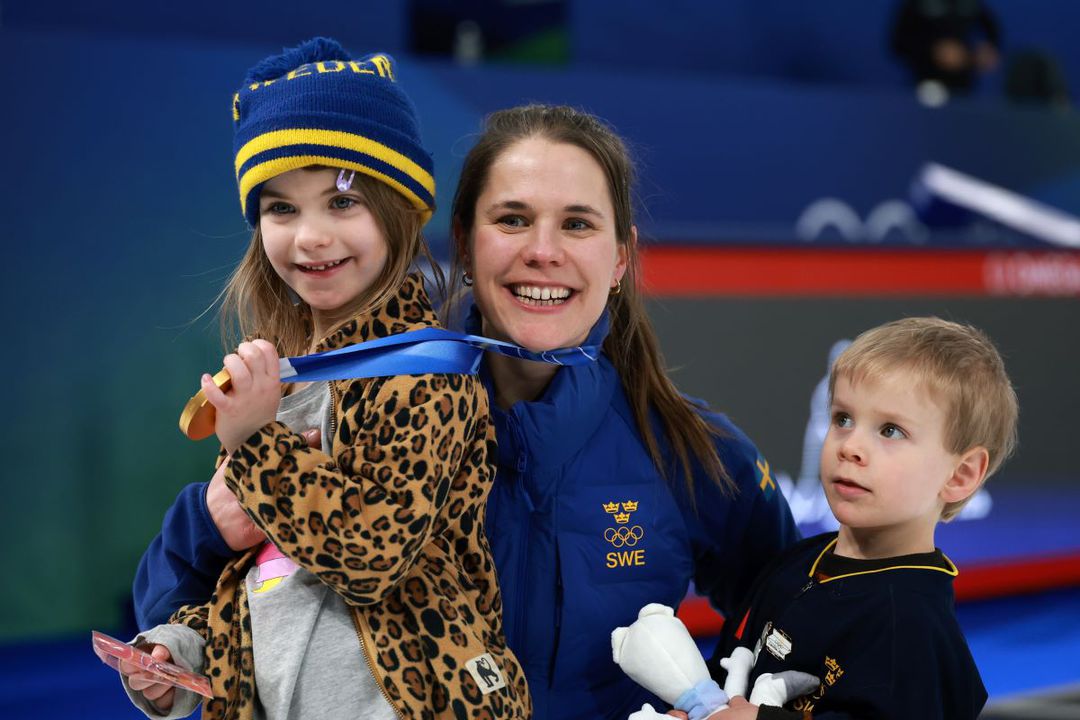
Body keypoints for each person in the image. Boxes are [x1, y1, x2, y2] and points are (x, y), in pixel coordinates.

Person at [133, 103, 799, 719]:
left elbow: (806, 611)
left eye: (577, 224)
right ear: (466, 241)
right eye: (512, 220)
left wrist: (736, 704)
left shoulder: (690, 450)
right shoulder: (376, 405)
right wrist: (207, 531)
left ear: (620, 257)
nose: (543, 251)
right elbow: (197, 585)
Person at [119, 37, 530, 720]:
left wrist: (254, 445)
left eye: (342, 202)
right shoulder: (276, 381)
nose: (309, 236)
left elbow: (373, 555)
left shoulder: (425, 373)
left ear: (401, 209)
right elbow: (257, 577)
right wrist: (177, 652)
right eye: (281, 208)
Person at [698, 316, 1018, 719]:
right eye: (843, 419)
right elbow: (728, 669)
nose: (850, 446)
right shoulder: (793, 564)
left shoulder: (914, 628)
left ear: (960, 475)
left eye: (891, 431)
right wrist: (692, 706)